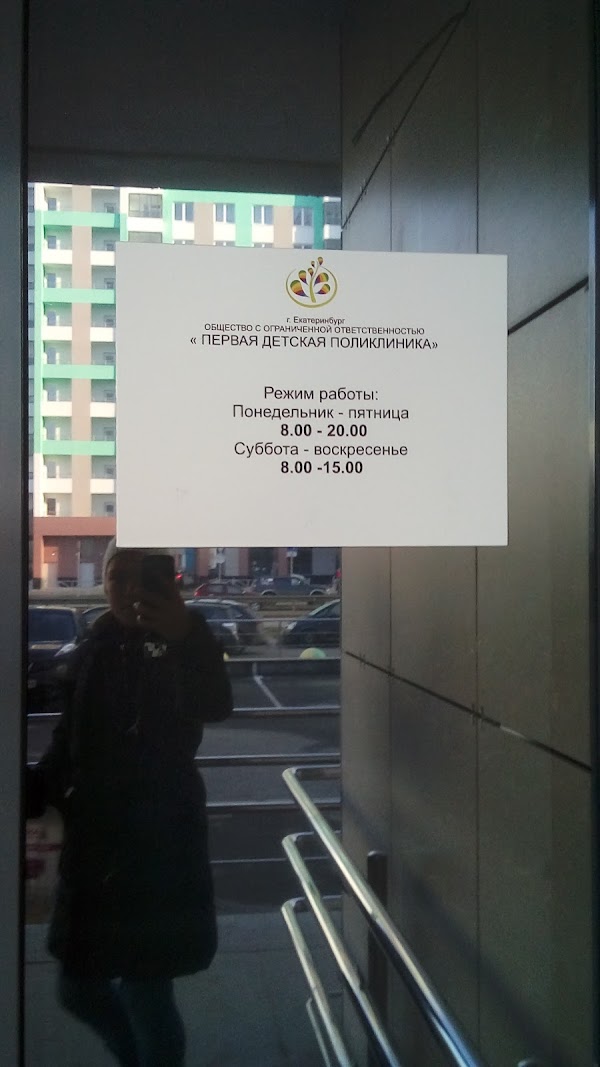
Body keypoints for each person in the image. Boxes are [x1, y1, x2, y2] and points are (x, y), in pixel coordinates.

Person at [27, 540, 233, 1066]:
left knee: (148, 991)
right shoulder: (97, 643)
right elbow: (71, 739)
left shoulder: (182, 639)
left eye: (142, 576)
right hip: (97, 842)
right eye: (116, 576)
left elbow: (215, 704)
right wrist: (36, 789)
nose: (127, 589)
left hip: (158, 842)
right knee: (78, 988)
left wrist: (184, 636)